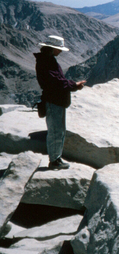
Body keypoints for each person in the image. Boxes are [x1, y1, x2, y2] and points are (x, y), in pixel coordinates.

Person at [34, 35, 86, 170]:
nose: (60, 51)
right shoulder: (46, 62)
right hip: (53, 101)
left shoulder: (47, 60)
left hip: (56, 100)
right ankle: (55, 161)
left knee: (58, 130)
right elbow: (57, 82)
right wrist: (74, 85)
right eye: (58, 49)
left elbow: (57, 81)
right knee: (56, 131)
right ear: (51, 48)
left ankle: (56, 158)